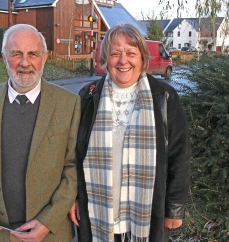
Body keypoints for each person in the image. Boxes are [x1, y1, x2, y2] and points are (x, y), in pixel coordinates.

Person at [0, 24, 81, 242]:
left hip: (50, 234)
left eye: (33, 54)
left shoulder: (68, 104)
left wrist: (48, 220)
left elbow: (74, 167)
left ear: (45, 57)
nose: (24, 62)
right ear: (4, 58)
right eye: (16, 54)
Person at [69, 23, 191, 242]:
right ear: (106, 60)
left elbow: (179, 156)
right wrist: (72, 197)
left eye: (131, 53)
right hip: (98, 215)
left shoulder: (164, 97)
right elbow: (73, 155)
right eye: (115, 53)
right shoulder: (87, 97)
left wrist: (174, 209)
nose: (123, 61)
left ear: (143, 58)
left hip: (147, 214)